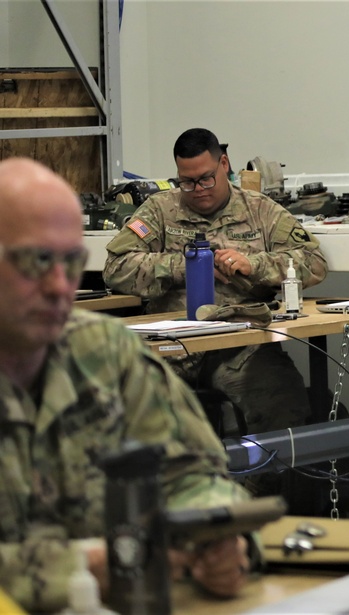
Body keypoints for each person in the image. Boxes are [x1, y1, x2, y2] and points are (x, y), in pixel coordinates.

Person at [0, 158, 251, 612]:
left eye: (72, 262)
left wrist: (214, 535)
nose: (61, 286)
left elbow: (192, 473)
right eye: (37, 260)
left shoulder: (105, 353)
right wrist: (78, 570)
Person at [103, 128, 328, 446]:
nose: (197, 189)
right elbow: (115, 268)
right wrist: (186, 267)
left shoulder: (260, 211)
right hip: (170, 346)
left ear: (224, 164)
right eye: (187, 181)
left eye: (206, 178)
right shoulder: (160, 210)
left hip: (240, 346)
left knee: (282, 404)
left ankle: (259, 490)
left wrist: (254, 265)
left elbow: (313, 262)